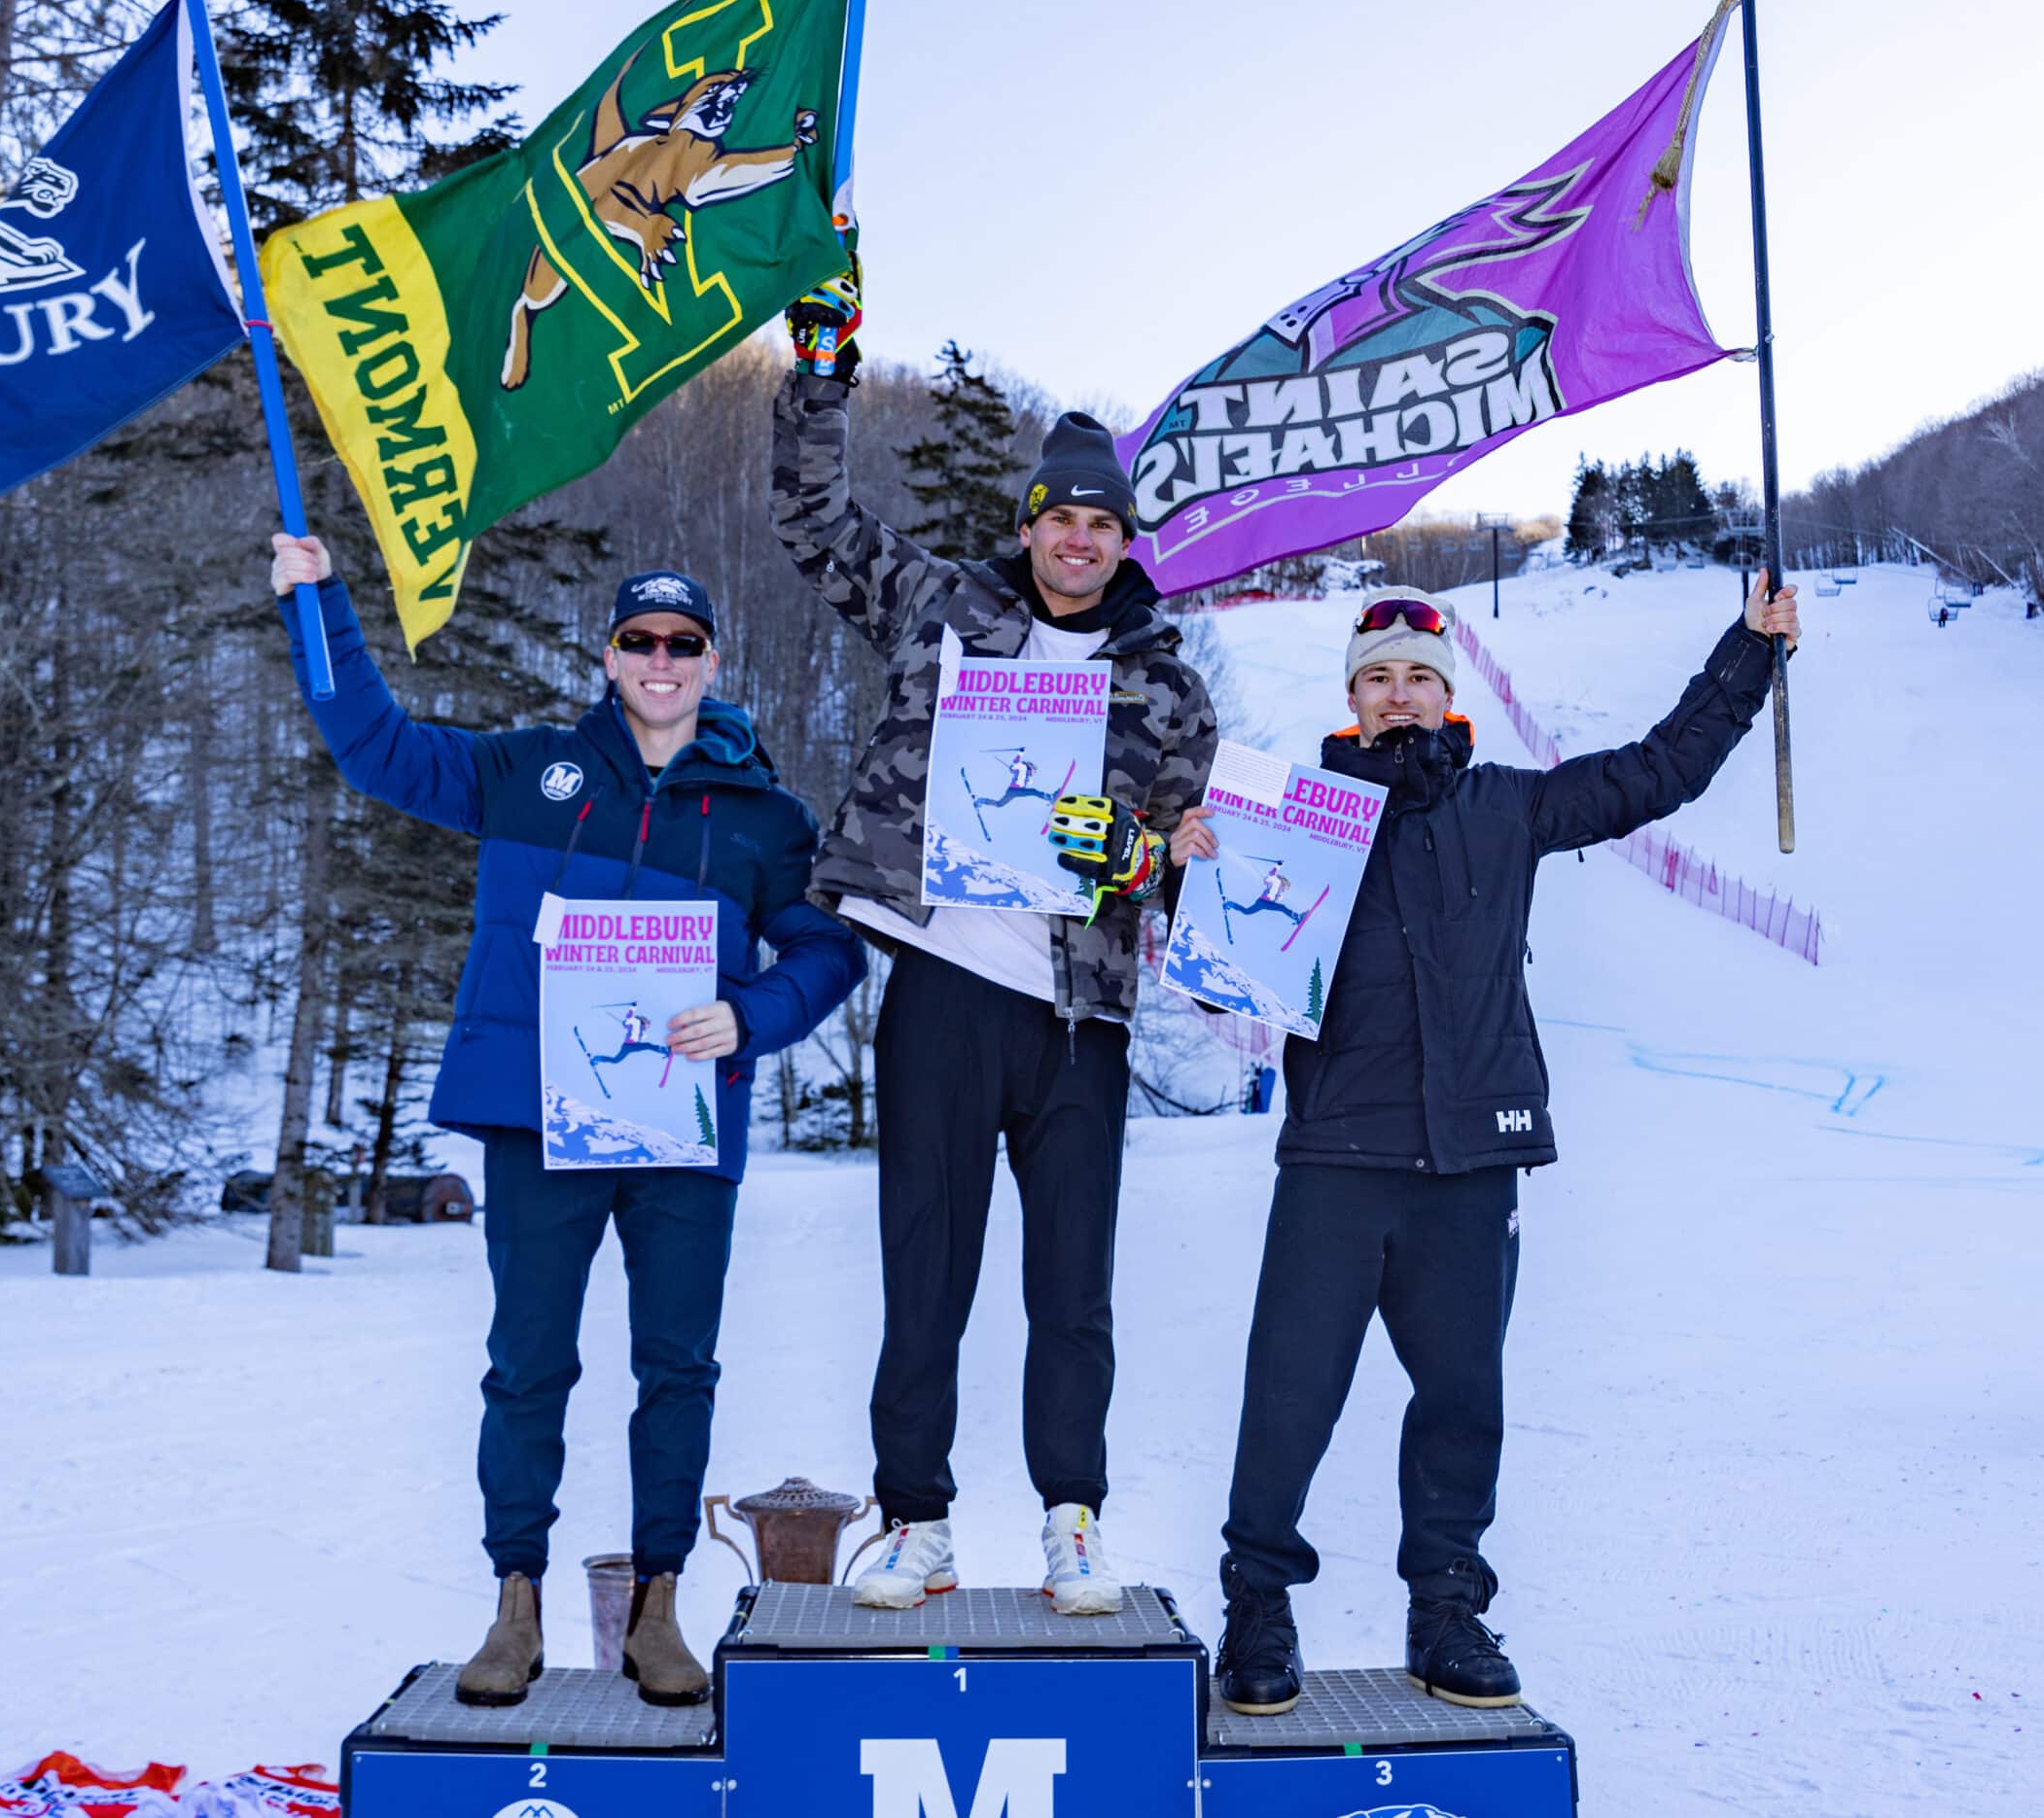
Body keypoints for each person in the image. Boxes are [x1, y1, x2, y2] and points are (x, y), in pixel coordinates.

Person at [268, 539, 864, 1708]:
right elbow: (374, 746)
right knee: (528, 1362)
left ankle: (658, 1606)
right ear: (608, 656)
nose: (660, 661)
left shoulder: (764, 816)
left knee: (676, 1367)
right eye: (639, 641)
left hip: (681, 1128)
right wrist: (319, 601)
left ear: (710, 662)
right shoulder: (528, 770)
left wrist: (749, 1016)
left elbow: (826, 947)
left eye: (682, 644)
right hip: (541, 1121)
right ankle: (516, 1602)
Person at [1208, 576, 1802, 1716]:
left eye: (1417, 679)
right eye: (1377, 679)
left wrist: (1748, 653)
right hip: (1337, 1153)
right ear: (1350, 699)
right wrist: (1197, 867)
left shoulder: (1508, 807)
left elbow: (1658, 771)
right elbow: (1221, 965)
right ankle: (1258, 1606)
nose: (1399, 696)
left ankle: (1446, 1611)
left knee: (1461, 1399)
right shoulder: (1292, 822)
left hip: (1473, 1158)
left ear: (1448, 696)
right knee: (1288, 1395)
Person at [771, 274, 1218, 1614]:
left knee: (1073, 1288)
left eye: (1102, 523)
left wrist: (1144, 860)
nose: (1079, 540)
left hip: (1081, 1017)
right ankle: (917, 1521)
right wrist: (822, 371)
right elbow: (812, 520)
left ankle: (1073, 1521)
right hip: (947, 988)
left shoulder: (1169, 686)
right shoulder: (943, 608)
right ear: (1027, 526)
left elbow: (1190, 869)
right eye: (1060, 518)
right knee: (926, 1272)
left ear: (1124, 542)